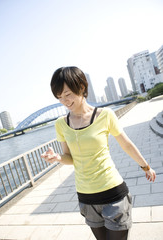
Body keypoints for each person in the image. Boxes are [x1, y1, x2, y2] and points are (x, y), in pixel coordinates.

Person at [41, 66, 156, 240]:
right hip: (87, 199)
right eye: (59, 97)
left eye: (67, 94)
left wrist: (145, 166)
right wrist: (57, 158)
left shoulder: (105, 115)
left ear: (81, 87)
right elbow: (70, 158)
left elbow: (126, 144)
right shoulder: (60, 124)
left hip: (113, 193)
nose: (64, 101)